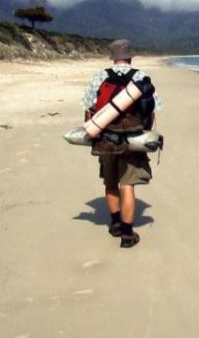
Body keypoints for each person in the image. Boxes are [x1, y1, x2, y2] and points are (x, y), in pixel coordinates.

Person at [80, 39, 159, 248]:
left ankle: (115, 224)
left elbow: (89, 109)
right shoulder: (141, 78)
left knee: (110, 182)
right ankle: (127, 235)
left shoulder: (99, 76)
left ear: (112, 58)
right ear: (130, 57)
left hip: (105, 138)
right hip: (132, 140)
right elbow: (150, 113)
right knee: (127, 185)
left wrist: (94, 130)